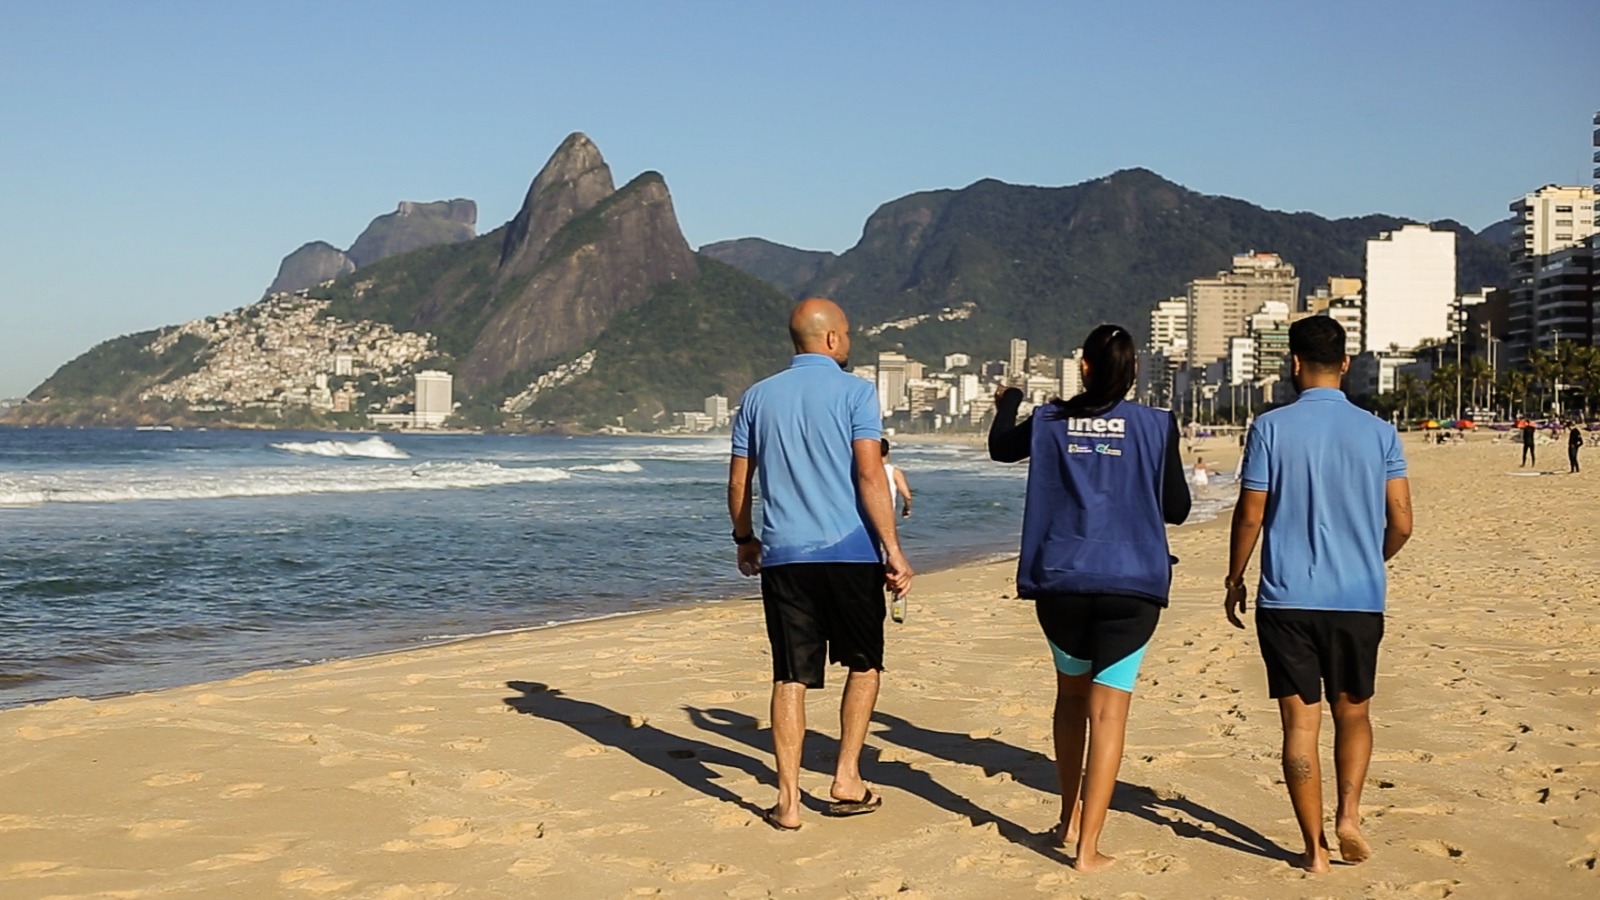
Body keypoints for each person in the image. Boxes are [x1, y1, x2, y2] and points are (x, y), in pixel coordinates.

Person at [989, 324, 1190, 872]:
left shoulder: (1050, 421)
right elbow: (1177, 508)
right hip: (1132, 584)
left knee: (1071, 701)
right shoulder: (1156, 425)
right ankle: (1088, 847)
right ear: (1133, 374)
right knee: (1109, 714)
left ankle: (1068, 817)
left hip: (1063, 581)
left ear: (1084, 367)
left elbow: (1000, 449)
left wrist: (1008, 404)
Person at [1224, 316, 1412, 873]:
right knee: (1354, 713)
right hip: (1358, 599)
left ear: (1295, 364)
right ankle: (1349, 815)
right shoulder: (1379, 432)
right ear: (1346, 364)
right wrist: (1368, 560)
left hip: (1287, 600)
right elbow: (1401, 521)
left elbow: (1251, 512)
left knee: (1300, 725)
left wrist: (1235, 578)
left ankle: (1314, 851)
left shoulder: (1271, 427)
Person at [727, 297, 914, 832]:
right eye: (848, 333)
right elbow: (869, 474)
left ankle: (787, 803)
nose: (849, 342)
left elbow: (740, 481)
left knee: (790, 675)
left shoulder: (756, 398)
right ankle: (846, 778)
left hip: (784, 556)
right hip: (851, 552)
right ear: (831, 339)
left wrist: (745, 538)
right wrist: (893, 549)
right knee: (864, 662)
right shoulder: (856, 392)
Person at [880, 438, 913, 518]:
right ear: (888, 452)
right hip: (887, 515)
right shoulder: (894, 472)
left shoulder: (866, 471)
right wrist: (906, 508)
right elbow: (907, 496)